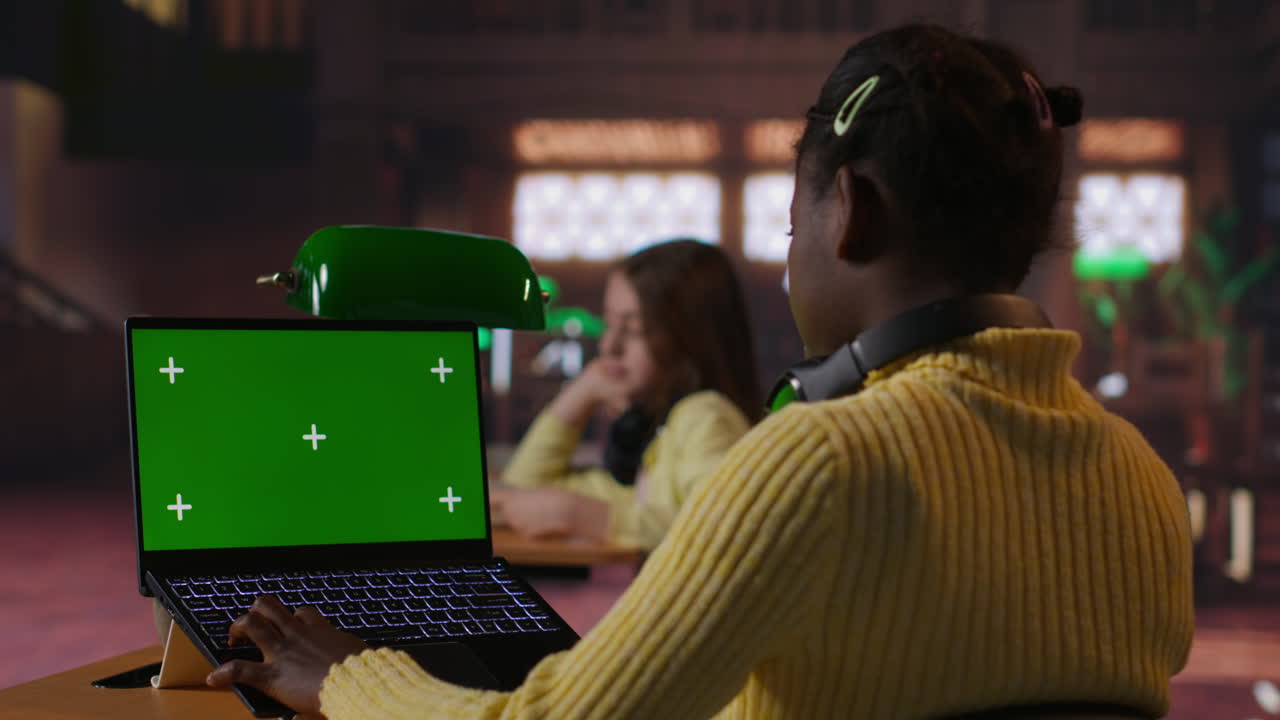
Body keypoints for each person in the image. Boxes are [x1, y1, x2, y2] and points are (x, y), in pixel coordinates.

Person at [207, 24, 1194, 719]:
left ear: (847, 209)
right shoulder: (1140, 480)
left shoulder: (818, 461)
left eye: (791, 217)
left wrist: (344, 672)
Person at [490, 239, 763, 550]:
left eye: (633, 329)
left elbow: (724, 531)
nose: (609, 347)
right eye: (609, 325)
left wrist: (585, 516)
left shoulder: (705, 415)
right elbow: (524, 489)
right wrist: (581, 394)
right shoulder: (663, 445)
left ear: (690, 335)